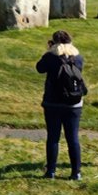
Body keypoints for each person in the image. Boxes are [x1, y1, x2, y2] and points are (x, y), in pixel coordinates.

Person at [35, 30, 85, 180]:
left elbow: (39, 68)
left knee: (53, 138)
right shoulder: (78, 58)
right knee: (73, 138)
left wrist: (48, 50)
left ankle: (51, 171)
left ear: (53, 42)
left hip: (53, 102)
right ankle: (76, 172)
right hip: (74, 103)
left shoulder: (50, 57)